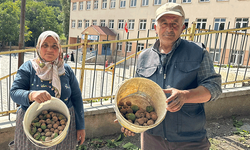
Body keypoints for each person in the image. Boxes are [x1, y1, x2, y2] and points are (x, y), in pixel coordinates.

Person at [116, 3, 222, 150]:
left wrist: (185, 96)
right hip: (152, 138)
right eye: (164, 23)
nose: (169, 28)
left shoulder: (198, 52)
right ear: (155, 27)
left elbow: (214, 87)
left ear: (183, 27)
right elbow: (138, 94)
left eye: (174, 23)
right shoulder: (144, 57)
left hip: (190, 139)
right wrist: (130, 121)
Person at [10, 30, 85, 150]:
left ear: (59, 49)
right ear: (38, 47)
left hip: (63, 125)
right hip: (33, 123)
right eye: (45, 45)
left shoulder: (66, 70)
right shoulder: (28, 68)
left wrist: (81, 126)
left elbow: (77, 98)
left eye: (54, 46)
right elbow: (14, 92)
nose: (50, 49)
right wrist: (31, 95)